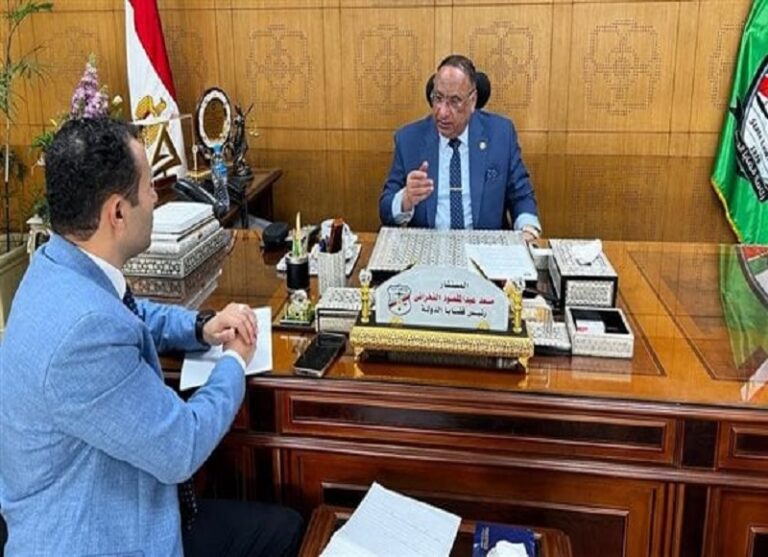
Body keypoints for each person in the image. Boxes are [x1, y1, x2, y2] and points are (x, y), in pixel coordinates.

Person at [0, 118, 303, 556]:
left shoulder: (55, 265)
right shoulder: (83, 334)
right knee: (286, 530)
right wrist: (236, 359)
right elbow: (182, 445)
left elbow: (130, 313)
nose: (156, 198)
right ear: (117, 213)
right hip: (98, 537)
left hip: (110, 500)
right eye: (148, 188)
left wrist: (200, 327)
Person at [379, 54, 542, 240]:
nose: (442, 112)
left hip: (485, 248)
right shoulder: (409, 139)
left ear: (472, 101)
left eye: (454, 101)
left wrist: (527, 229)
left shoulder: (500, 135)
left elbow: (521, 196)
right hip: (429, 248)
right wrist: (405, 199)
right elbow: (385, 210)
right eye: (438, 98)